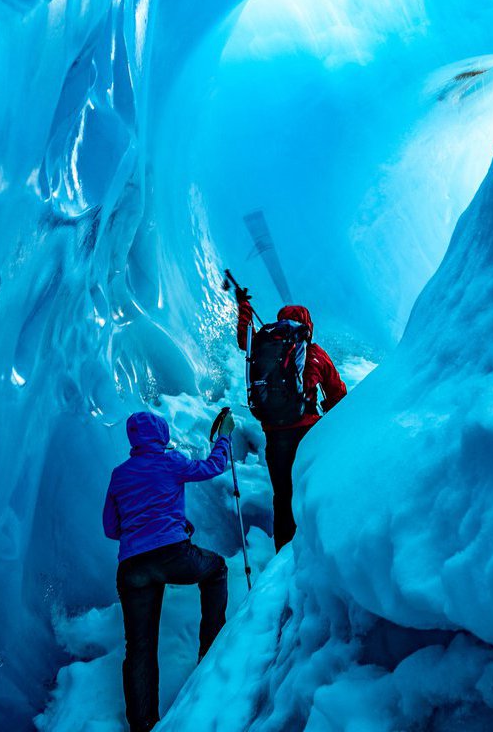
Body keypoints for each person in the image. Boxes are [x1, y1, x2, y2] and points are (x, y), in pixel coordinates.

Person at [103, 410, 234, 732]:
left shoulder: (119, 474)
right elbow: (213, 467)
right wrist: (225, 438)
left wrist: (141, 533)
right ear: (160, 434)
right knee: (216, 569)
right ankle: (211, 650)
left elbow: (110, 528)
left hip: (132, 566)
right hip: (173, 555)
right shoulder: (171, 462)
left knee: (139, 647)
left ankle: (143, 722)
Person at [235, 289, 347, 551]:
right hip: (308, 435)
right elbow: (337, 394)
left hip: (275, 437)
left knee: (283, 497)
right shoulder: (314, 353)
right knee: (313, 490)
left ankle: (283, 556)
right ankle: (318, 550)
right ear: (308, 325)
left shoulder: (263, 344)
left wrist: (244, 307)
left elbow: (245, 338)